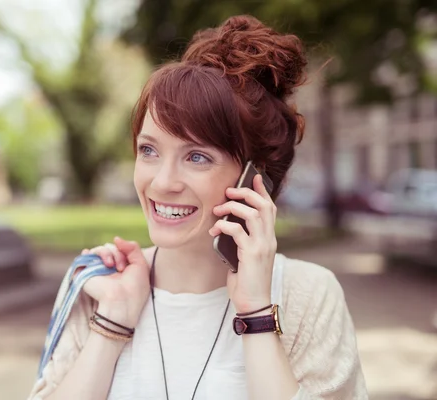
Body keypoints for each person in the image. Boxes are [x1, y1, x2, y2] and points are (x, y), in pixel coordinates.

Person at [28, 14, 368, 400]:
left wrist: (256, 313)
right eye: (149, 150)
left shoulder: (307, 295)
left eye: (197, 157)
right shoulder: (98, 286)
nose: (162, 182)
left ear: (255, 181)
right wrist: (112, 322)